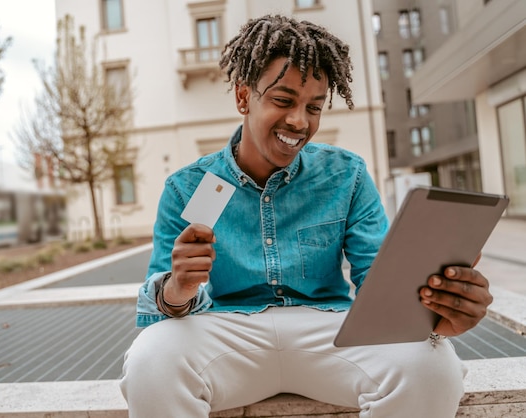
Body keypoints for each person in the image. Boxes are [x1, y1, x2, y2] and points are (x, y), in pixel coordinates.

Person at [120, 14, 493, 417]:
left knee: (433, 367)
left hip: (328, 330)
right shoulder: (187, 187)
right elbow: (157, 312)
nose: (299, 121)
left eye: (313, 107)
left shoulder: (346, 175)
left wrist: (437, 317)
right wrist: (177, 288)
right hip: (227, 332)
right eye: (283, 100)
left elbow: (377, 286)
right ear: (244, 97)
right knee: (149, 362)